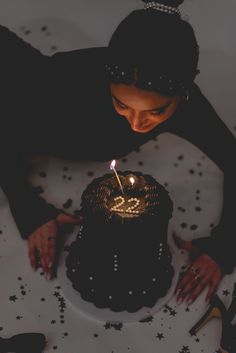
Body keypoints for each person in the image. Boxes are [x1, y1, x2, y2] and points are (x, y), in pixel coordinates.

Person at [0, 0, 235, 305]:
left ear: (186, 87)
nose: (137, 123)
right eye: (121, 104)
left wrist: (224, 248)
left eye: (156, 111)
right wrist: (29, 211)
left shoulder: (189, 106)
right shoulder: (61, 82)